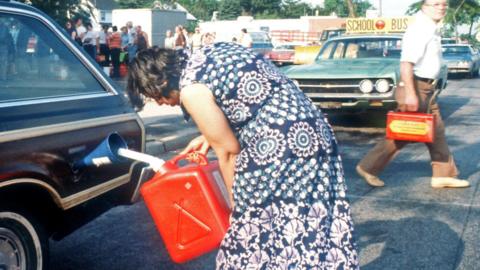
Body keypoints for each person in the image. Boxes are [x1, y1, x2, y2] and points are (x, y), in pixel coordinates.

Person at [126, 43, 359, 269]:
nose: (160, 103)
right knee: (306, 222)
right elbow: (246, 98)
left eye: (156, 96)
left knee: (252, 233)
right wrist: (210, 135)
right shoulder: (211, 52)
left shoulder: (191, 90)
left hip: (280, 148)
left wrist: (236, 208)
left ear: (164, 81)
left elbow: (228, 152)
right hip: (313, 134)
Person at [356, 0, 469, 189]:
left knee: (436, 131)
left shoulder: (430, 27)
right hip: (416, 86)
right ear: (424, 6)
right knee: (405, 131)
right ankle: (368, 167)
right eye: (436, 4)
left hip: (427, 88)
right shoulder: (420, 28)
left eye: (444, 4)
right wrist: (410, 93)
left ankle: (442, 175)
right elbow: (406, 63)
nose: (441, 7)